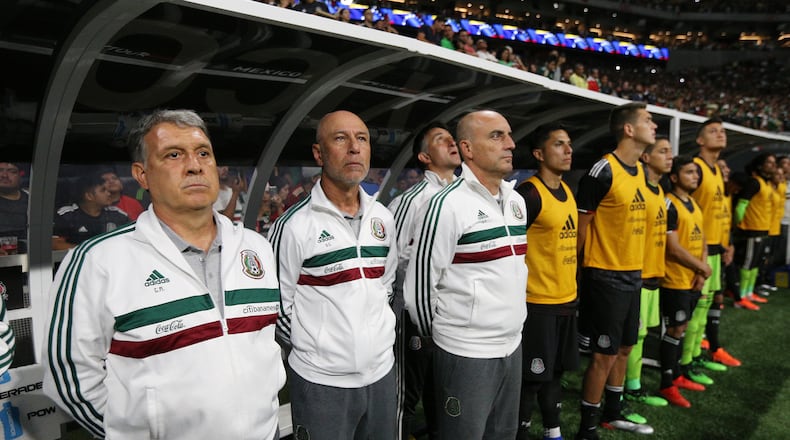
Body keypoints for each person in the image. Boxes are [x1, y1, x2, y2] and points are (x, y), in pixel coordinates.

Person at [43, 109, 285, 439]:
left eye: (203, 153)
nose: (194, 165)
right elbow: (69, 377)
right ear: (142, 175)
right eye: (174, 154)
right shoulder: (97, 260)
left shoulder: (256, 247)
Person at [269, 110, 398, 440]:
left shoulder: (382, 218)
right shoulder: (292, 226)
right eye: (341, 138)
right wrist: (317, 349)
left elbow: (386, 284)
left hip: (382, 372)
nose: (354, 148)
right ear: (318, 153)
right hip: (321, 380)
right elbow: (276, 307)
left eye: (362, 138)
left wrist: (376, 342)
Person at [405, 110, 527, 439]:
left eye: (509, 135)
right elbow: (418, 289)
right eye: (497, 136)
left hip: (512, 346)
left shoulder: (516, 201)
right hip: (465, 352)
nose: (511, 144)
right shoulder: (446, 205)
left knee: (502, 434)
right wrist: (450, 336)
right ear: (468, 149)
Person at [575, 102, 656, 439]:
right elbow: (581, 229)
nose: (654, 126)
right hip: (605, 277)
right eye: (648, 121)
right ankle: (587, 428)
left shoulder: (639, 172)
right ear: (628, 129)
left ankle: (613, 413)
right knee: (603, 355)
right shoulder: (603, 170)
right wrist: (576, 277)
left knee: (624, 349)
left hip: (632, 276)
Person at [388, 122, 461, 439]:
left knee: (443, 389)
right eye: (439, 139)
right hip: (414, 316)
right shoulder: (411, 201)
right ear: (424, 156)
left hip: (455, 314)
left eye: (452, 137)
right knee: (406, 393)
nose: (450, 141)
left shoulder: (468, 196)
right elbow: (391, 261)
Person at [515, 124, 579, 440]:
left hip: (566, 299)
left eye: (569, 144)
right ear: (540, 154)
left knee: (556, 372)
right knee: (532, 376)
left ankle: (553, 432)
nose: (568, 150)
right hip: (537, 303)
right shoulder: (528, 194)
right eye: (559, 144)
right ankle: (520, 431)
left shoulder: (568, 190)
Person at [687, 118, 742, 369]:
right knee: (695, 310)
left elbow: (718, 211)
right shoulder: (694, 169)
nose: (720, 134)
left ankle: (699, 353)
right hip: (698, 251)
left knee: (708, 304)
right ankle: (684, 363)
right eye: (713, 131)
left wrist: (727, 243)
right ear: (700, 140)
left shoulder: (717, 170)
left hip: (716, 249)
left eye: (722, 131)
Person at [657, 155, 711, 408]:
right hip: (674, 279)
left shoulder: (695, 205)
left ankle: (677, 374)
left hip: (692, 278)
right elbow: (674, 248)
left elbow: (702, 240)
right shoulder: (670, 204)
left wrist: (701, 272)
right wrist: (701, 267)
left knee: (683, 326)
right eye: (690, 172)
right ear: (675, 177)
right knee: (675, 328)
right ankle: (667, 382)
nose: (695, 176)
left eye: (696, 173)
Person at [624, 136, 673, 408]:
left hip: (653, 274)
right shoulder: (638, 189)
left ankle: (633, 384)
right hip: (636, 276)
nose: (670, 157)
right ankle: (627, 388)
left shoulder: (659, 191)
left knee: (640, 337)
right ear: (645, 157)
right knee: (633, 337)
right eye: (663, 151)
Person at [733, 153, 776, 309]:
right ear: (760, 166)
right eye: (769, 162)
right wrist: (737, 224)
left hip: (763, 229)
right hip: (751, 230)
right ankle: (741, 297)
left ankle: (749, 293)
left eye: (773, 162)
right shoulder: (754, 183)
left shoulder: (766, 184)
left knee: (756, 264)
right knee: (747, 264)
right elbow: (741, 205)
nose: (773, 165)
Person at [52, 173, 131, 249]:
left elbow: (132, 241)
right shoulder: (67, 215)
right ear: (89, 196)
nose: (108, 193)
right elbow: (55, 244)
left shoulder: (118, 215)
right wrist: (88, 251)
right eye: (103, 190)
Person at [0, 162, 28, 254]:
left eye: (12, 172)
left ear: (20, 176)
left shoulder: (33, 200)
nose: (4, 175)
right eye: (0, 170)